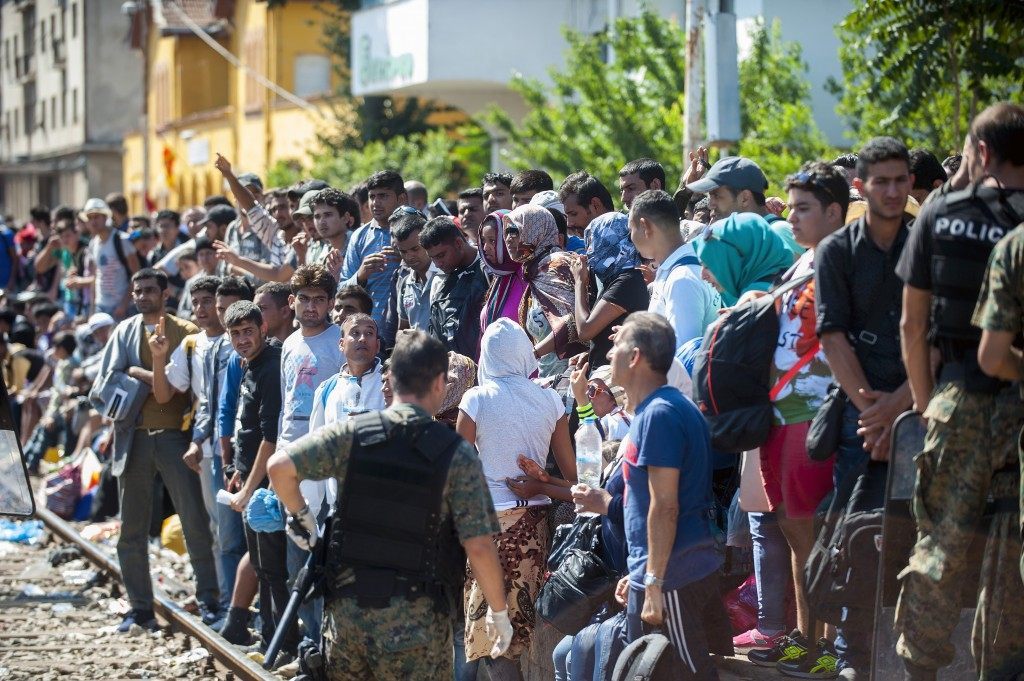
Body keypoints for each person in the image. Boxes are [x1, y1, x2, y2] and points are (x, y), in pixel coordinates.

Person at [266, 329, 514, 680]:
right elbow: (479, 544)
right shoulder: (454, 454)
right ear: (441, 383)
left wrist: (302, 516)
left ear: (391, 378)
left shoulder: (355, 434)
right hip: (417, 625)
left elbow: (279, 468)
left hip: (348, 616)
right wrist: (499, 613)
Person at [896, 102, 1024, 681]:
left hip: (959, 399)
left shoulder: (943, 213)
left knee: (941, 549)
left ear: (983, 152)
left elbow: (912, 326)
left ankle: (918, 670)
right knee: (1009, 562)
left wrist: (926, 405)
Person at [813, 137, 916, 676]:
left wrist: (899, 406)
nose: (894, 191)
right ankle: (851, 652)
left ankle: (917, 652)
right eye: (883, 181)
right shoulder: (838, 251)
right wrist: (871, 412)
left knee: (919, 532)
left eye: (902, 180)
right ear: (861, 185)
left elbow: (941, 335)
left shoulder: (928, 243)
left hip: (918, 406)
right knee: (856, 533)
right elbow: (832, 337)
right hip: (859, 412)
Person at [89, 268, 218, 632]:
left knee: (194, 523)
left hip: (177, 437)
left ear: (165, 294)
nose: (143, 296)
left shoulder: (186, 332)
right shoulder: (123, 332)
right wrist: (148, 379)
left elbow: (183, 387)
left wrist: (140, 374)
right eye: (138, 291)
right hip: (134, 438)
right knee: (131, 529)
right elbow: (103, 383)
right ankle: (140, 608)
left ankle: (210, 600)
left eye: (150, 290)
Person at [609, 311, 731, 678]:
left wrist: (654, 581)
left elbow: (665, 507)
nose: (608, 353)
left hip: (674, 576)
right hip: (663, 570)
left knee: (689, 673)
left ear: (635, 358)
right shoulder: (666, 408)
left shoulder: (660, 414)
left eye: (616, 345)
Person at [456, 318, 577, 678]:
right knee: (508, 635)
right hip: (534, 532)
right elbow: (573, 478)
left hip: (487, 528)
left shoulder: (476, 398)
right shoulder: (550, 399)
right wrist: (540, 484)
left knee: (495, 639)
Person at [219, 299, 297, 656]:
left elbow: (269, 434)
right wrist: (238, 469)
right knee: (263, 566)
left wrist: (250, 488)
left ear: (263, 328)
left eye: (248, 331)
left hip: (266, 484)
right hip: (250, 476)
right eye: (235, 334)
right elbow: (246, 427)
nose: (242, 339)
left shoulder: (269, 366)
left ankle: (282, 643)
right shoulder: (248, 364)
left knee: (272, 568)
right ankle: (270, 638)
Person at [628, 189, 721, 351]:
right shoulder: (679, 269)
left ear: (645, 226)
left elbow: (682, 354)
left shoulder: (682, 279)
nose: (631, 237)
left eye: (631, 230)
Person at [503, 205, 589, 372]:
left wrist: (532, 354)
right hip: (551, 378)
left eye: (514, 230)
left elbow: (572, 321)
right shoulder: (535, 271)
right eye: (506, 232)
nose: (508, 238)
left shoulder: (556, 265)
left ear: (536, 229)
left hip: (572, 375)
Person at [570, 212, 650, 368]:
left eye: (594, 242)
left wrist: (579, 282)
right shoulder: (616, 278)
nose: (590, 252)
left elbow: (585, 331)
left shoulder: (627, 281)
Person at [687, 155, 804, 258]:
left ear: (745, 198)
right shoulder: (747, 237)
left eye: (716, 196)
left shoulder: (776, 233)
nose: (710, 204)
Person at [340, 170, 407, 326]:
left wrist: (407, 259)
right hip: (370, 330)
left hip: (409, 328)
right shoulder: (359, 236)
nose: (376, 202)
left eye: (383, 196)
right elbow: (341, 290)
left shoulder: (417, 230)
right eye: (372, 196)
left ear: (401, 198)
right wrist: (361, 275)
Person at [420, 216, 488, 359]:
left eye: (441, 255)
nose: (438, 264)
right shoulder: (439, 282)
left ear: (458, 243)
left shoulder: (490, 269)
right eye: (432, 258)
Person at [694, 212, 793, 307]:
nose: (702, 276)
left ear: (737, 259)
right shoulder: (794, 281)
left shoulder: (754, 304)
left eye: (709, 266)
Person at [81, 198, 140, 319]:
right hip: (101, 306)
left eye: (96, 217)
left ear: (105, 217)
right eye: (90, 218)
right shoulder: (93, 244)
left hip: (121, 308)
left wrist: (123, 305)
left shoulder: (122, 240)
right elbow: (96, 277)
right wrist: (92, 310)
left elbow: (137, 275)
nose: (93, 222)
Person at [559, 171, 615, 236]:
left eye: (573, 214)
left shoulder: (626, 238)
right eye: (566, 217)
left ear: (595, 205)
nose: (569, 224)